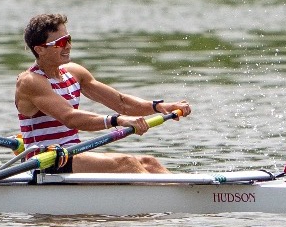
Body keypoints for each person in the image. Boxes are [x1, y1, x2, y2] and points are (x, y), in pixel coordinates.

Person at [14, 12, 192, 174]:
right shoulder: (30, 81)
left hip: (72, 153)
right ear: (40, 49)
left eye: (68, 39)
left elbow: (121, 102)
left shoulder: (74, 72)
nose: (67, 46)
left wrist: (160, 107)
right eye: (60, 43)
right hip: (46, 161)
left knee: (149, 162)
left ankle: (184, 198)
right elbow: (70, 117)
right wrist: (117, 120)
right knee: (126, 163)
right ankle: (165, 202)